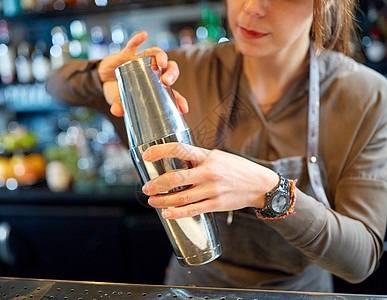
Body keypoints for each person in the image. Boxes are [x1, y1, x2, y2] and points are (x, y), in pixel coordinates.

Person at [46, 0, 387, 293]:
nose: (251, 8)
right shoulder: (183, 71)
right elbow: (57, 84)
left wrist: (271, 191)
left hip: (300, 295)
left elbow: (361, 260)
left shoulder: (366, 97)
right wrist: (101, 76)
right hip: (192, 290)